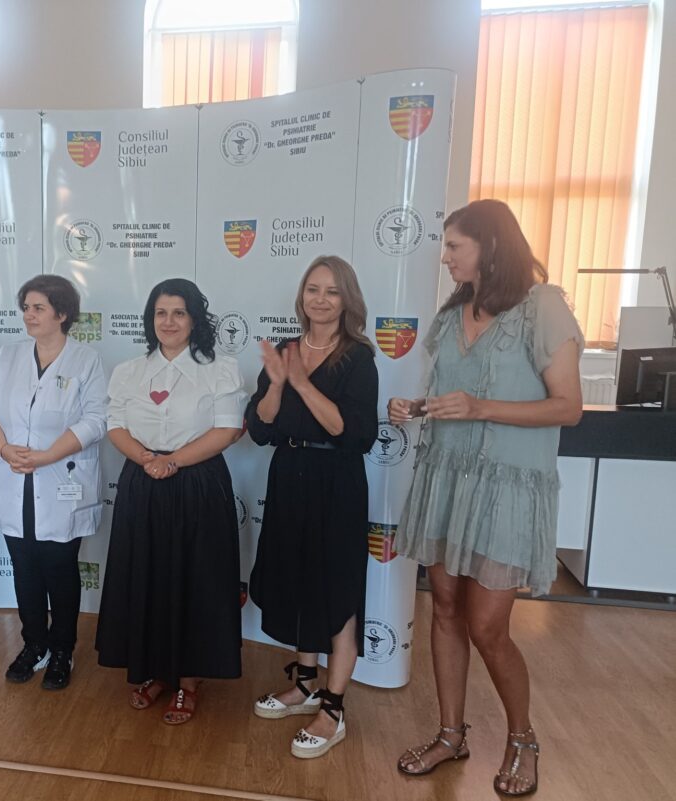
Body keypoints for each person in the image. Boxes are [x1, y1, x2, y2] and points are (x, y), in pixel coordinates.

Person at [390, 200, 583, 796]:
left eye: (455, 246)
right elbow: (452, 395)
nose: (444, 257)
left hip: (507, 489)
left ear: (491, 246)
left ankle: (523, 739)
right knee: (445, 609)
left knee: (488, 627)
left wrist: (480, 408)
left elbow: (568, 408)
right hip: (447, 479)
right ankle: (451, 735)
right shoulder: (453, 313)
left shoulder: (543, 307)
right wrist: (417, 407)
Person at [95, 278, 246, 725]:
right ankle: (156, 670)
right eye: (161, 313)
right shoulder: (129, 371)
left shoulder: (220, 369)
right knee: (148, 577)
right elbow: (115, 424)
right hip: (143, 480)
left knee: (195, 580)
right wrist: (146, 458)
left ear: (195, 319)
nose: (169, 321)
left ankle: (189, 681)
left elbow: (227, 430)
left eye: (179, 312)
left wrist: (173, 461)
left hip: (198, 483)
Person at [245, 255, 378, 759]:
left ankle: (333, 708)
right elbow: (261, 429)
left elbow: (354, 433)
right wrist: (279, 383)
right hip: (289, 478)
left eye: (332, 291)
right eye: (313, 289)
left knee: (337, 590)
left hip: (336, 484)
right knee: (299, 581)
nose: (320, 299)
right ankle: (304, 684)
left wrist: (301, 382)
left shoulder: (358, 357)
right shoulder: (286, 350)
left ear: (347, 300)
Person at [0, 275, 107, 690]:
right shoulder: (9, 355)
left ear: (62, 314)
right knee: (25, 569)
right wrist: (3, 448)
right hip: (14, 479)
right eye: (26, 308)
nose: (29, 315)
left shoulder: (86, 360)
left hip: (60, 479)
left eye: (38, 308)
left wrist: (48, 455)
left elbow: (97, 419)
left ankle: (62, 649)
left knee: (60, 571)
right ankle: (34, 645)